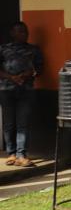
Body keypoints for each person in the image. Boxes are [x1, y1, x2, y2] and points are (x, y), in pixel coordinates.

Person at [1, 22, 43, 167]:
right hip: (7, 90)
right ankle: (11, 153)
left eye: (25, 31)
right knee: (9, 124)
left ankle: (21, 155)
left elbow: (39, 69)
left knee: (23, 123)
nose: (24, 34)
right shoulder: (3, 49)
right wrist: (10, 77)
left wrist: (28, 74)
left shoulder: (33, 50)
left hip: (26, 90)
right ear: (12, 33)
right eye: (20, 31)